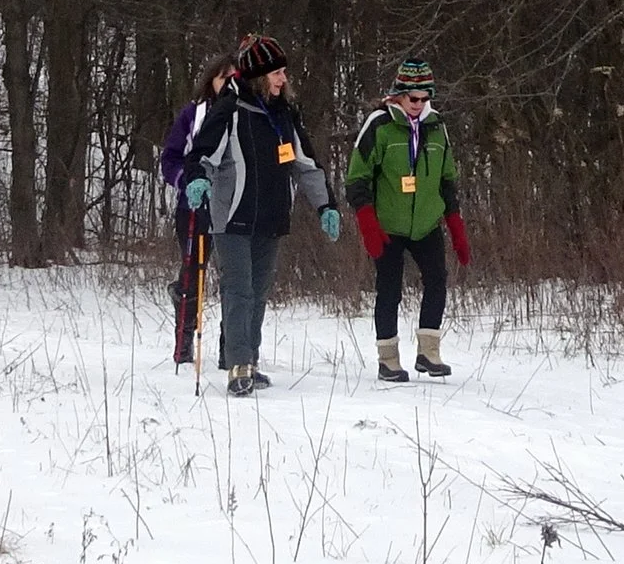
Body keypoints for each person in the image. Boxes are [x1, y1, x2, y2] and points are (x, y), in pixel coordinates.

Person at [181, 35, 339, 396]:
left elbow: (306, 164)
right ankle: (237, 365)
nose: (283, 79)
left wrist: (325, 205)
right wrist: (198, 180)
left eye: (284, 72)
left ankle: (250, 359)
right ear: (258, 76)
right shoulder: (230, 110)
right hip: (232, 215)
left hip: (271, 216)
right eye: (277, 73)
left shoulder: (284, 114)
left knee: (259, 291)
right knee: (239, 290)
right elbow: (203, 152)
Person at [343, 58, 470, 382]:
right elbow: (356, 179)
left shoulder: (437, 126)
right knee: (390, 289)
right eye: (413, 99)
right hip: (388, 224)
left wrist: (455, 224)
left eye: (425, 99)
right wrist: (367, 221)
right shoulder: (379, 125)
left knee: (437, 280)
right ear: (398, 95)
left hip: (426, 222)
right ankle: (388, 359)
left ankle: (429, 352)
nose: (419, 105)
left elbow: (447, 179)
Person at [160, 58, 234, 366]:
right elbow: (171, 158)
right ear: (211, 81)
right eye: (223, 78)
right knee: (193, 273)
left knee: (233, 276)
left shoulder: (245, 114)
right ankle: (184, 340)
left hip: (232, 207)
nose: (228, 84)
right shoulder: (193, 114)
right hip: (193, 206)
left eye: (234, 79)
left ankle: (231, 348)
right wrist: (185, 182)